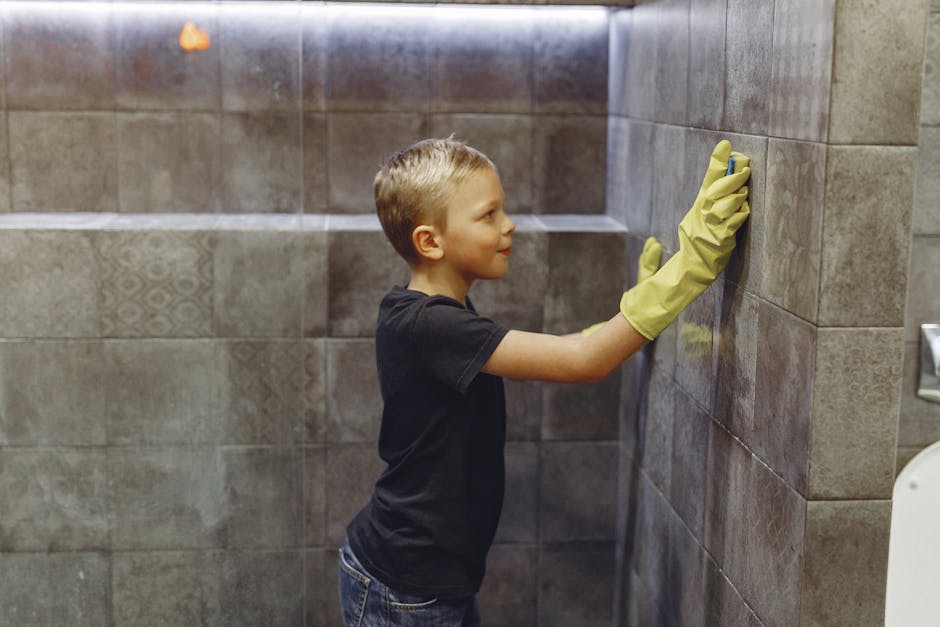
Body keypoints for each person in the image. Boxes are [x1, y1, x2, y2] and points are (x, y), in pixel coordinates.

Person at [337, 137, 751, 626]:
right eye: (488, 214)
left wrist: (645, 302)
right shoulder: (429, 325)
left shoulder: (438, 314)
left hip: (426, 579)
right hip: (404, 589)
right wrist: (692, 265)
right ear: (431, 241)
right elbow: (583, 361)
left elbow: (573, 346)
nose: (508, 224)